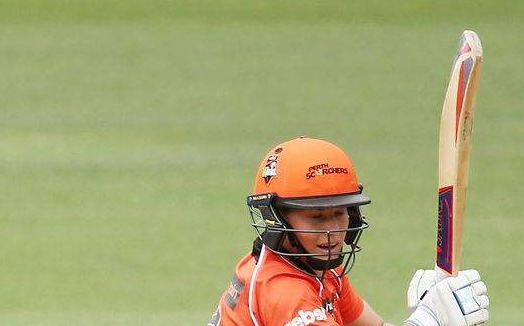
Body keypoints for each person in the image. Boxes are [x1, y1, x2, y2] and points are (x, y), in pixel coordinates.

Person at [208, 136, 489, 326]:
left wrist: (428, 309)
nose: (333, 231)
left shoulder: (318, 269)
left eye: (339, 213)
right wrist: (426, 321)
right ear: (276, 218)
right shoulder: (285, 292)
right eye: (317, 217)